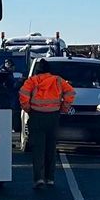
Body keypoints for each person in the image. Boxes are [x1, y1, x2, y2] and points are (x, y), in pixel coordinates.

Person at [18, 59, 75, 189]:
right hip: (53, 117)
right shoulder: (58, 80)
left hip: (37, 116)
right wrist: (64, 107)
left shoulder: (32, 81)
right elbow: (71, 92)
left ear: (38, 70)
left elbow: (23, 94)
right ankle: (50, 178)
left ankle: (38, 178)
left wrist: (28, 108)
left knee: (38, 149)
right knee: (51, 149)